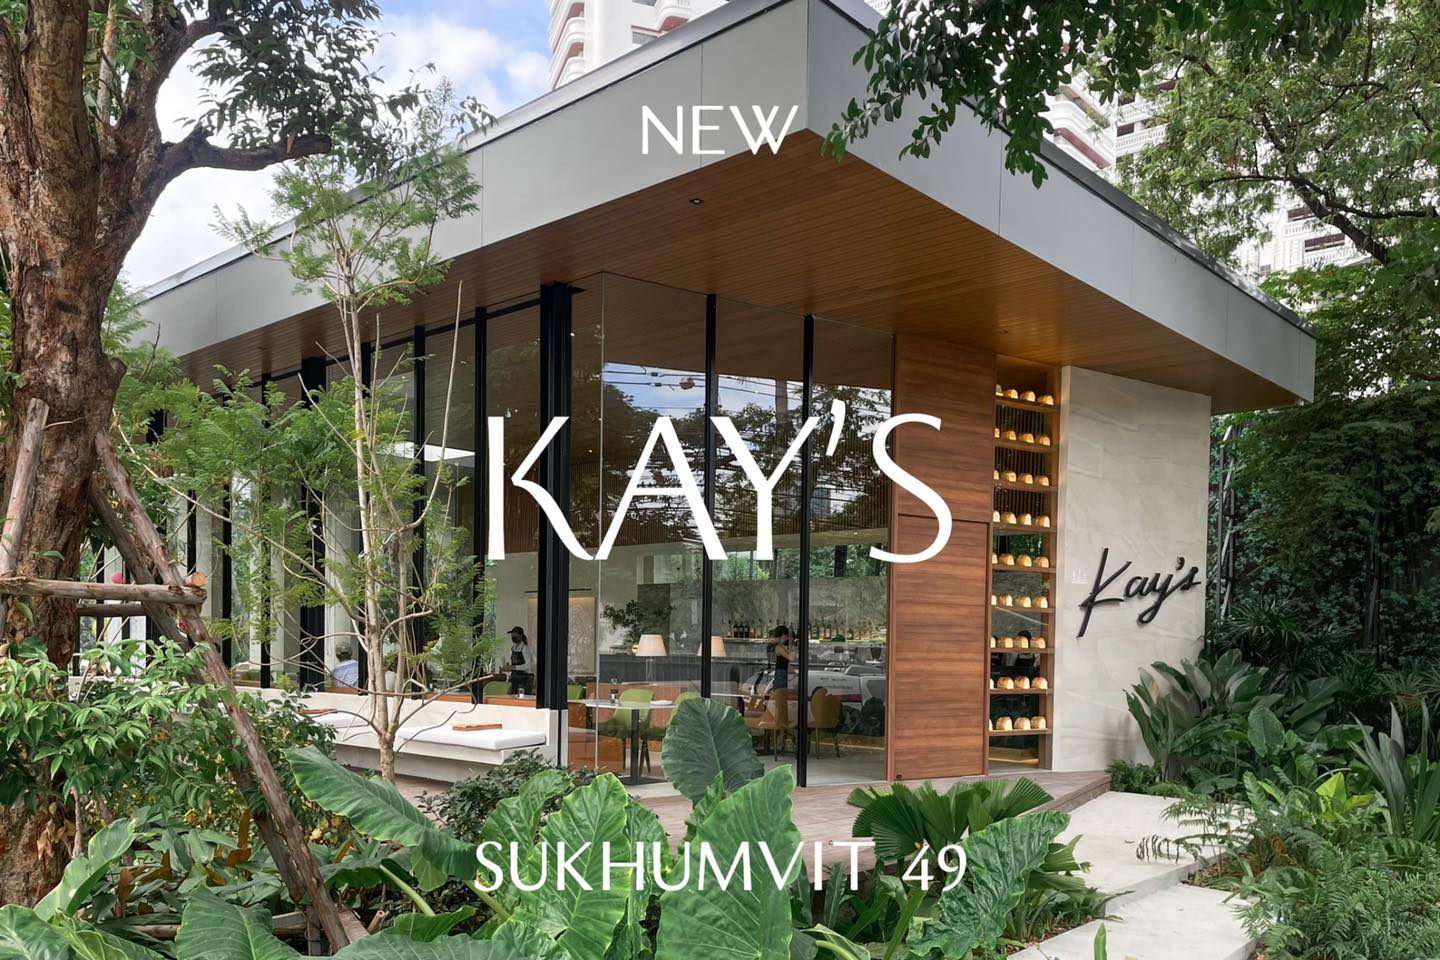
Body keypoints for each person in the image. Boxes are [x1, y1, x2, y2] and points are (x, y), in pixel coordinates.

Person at [507, 626, 535, 696]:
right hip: (513, 678)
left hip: (522, 679)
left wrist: (515, 667)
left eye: (515, 634)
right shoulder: (513, 648)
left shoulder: (524, 648)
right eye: (512, 635)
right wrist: (508, 667)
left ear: (521, 635)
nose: (513, 636)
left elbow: (528, 666)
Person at [770, 624, 795, 691]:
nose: (787, 638)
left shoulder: (781, 646)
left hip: (782, 672)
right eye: (786, 636)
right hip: (781, 673)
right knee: (781, 692)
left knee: (782, 692)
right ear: (783, 635)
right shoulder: (779, 647)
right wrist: (791, 643)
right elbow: (791, 657)